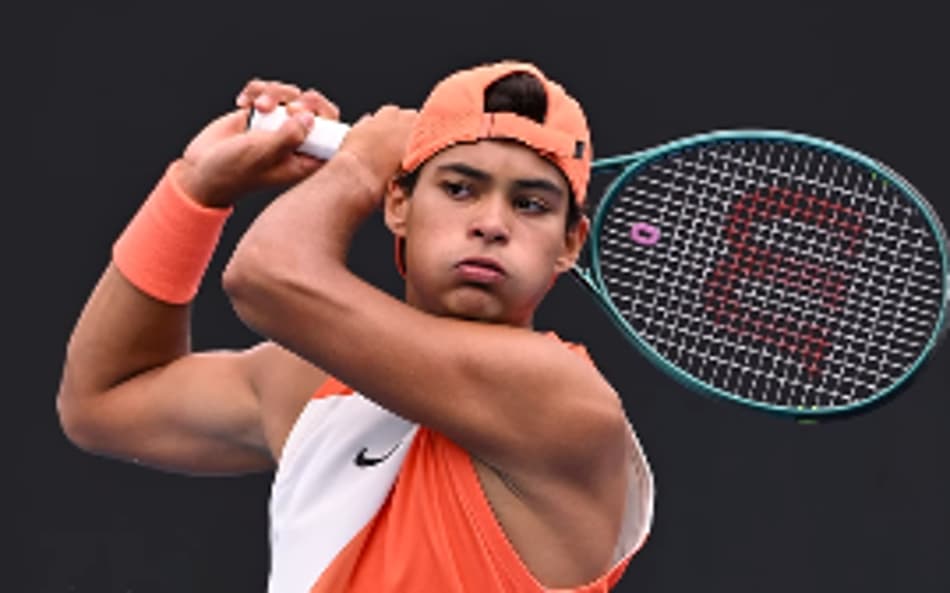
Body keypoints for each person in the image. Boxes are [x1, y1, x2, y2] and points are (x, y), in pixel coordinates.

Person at [57, 61, 654, 592]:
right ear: (399, 204)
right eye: (459, 188)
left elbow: (264, 275)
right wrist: (194, 188)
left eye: (530, 204)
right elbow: (103, 401)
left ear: (569, 244)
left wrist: (359, 163)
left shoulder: (560, 396)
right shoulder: (313, 384)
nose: (492, 224)